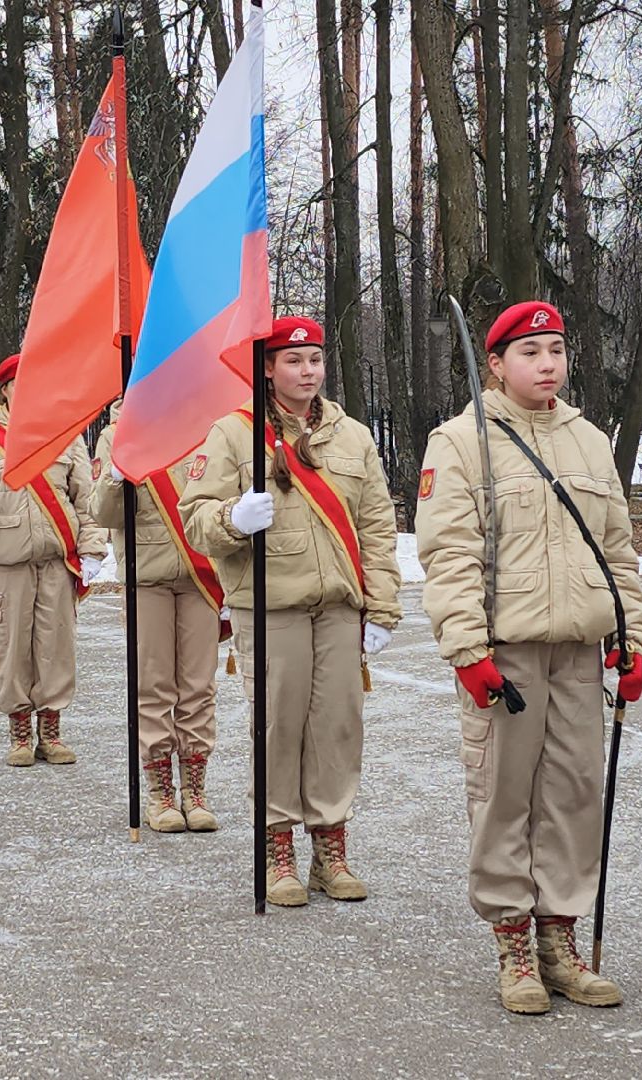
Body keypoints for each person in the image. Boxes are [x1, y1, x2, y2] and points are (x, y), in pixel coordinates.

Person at [416, 300, 642, 1015]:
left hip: (578, 650)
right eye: (530, 353)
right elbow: (449, 555)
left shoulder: (589, 441)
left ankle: (559, 938)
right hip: (506, 654)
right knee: (504, 796)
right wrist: (466, 648)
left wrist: (630, 637)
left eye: (556, 350)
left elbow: (616, 550)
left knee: (573, 795)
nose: (548, 364)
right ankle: (513, 941)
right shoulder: (462, 442)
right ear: (495, 365)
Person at [180, 315, 402, 907]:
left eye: (315, 360)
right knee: (279, 726)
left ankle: (330, 848)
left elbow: (377, 527)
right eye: (294, 361)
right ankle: (277, 846)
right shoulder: (234, 434)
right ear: (268, 368)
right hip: (270, 604)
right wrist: (233, 519)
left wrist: (382, 607)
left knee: (337, 728)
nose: (308, 371)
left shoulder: (353, 436)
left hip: (339, 608)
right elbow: (195, 517)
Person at [0, 353, 108, 767]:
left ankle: (50, 732)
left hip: (56, 559)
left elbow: (86, 500)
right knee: (11, 647)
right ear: (5, 390)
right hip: (9, 561)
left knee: (56, 646)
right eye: (19, 384)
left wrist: (92, 548)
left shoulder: (65, 433)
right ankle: (19, 732)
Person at [89, 399, 229, 833]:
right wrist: (116, 479)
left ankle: (195, 788)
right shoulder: (119, 434)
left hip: (201, 577)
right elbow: (104, 514)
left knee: (198, 687)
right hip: (147, 576)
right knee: (153, 686)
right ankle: (160, 790)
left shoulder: (208, 430)